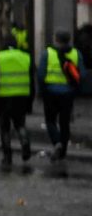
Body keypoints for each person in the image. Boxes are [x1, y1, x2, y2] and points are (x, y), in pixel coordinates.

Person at [0, 27, 37, 168]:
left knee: (5, 127)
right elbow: (32, 82)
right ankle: (25, 142)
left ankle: (7, 156)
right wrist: (30, 100)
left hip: (3, 98)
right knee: (20, 123)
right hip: (21, 96)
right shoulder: (26, 57)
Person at [41, 30, 81, 160]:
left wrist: (42, 90)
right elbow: (82, 74)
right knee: (65, 123)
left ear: (56, 40)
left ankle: (57, 143)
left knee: (50, 120)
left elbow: (41, 74)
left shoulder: (48, 53)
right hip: (68, 93)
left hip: (51, 92)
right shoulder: (76, 53)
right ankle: (63, 152)